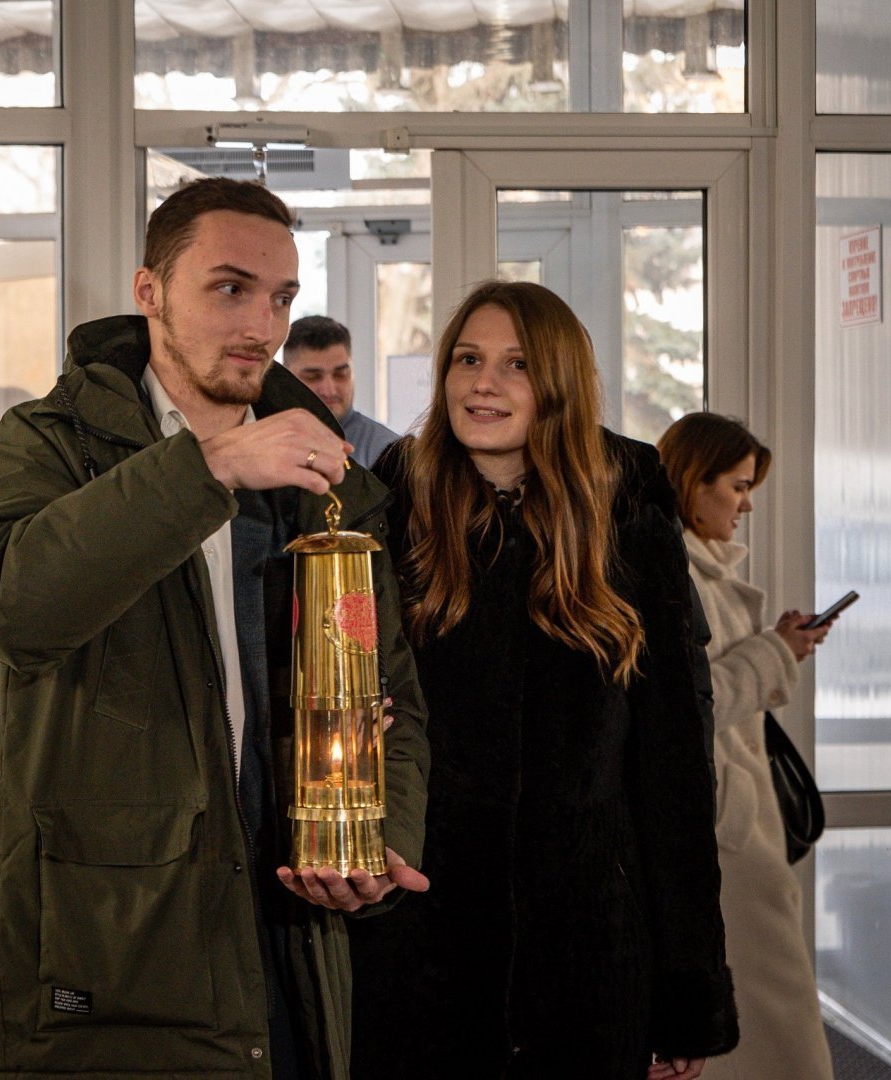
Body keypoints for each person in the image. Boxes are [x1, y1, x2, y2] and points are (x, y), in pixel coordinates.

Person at [0, 177, 430, 1079]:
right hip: (109, 951)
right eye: (230, 288)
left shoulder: (325, 482)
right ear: (150, 291)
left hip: (288, 936)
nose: (261, 325)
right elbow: (13, 605)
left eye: (280, 297)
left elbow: (389, 696)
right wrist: (208, 468)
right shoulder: (48, 443)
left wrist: (379, 840)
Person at [346, 280, 738, 1079]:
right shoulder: (398, 501)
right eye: (467, 359)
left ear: (558, 382)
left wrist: (686, 986)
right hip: (421, 944)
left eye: (516, 364)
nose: (482, 383)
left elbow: (674, 768)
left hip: (590, 955)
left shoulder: (627, 509)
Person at [657, 412, 835, 1080]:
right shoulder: (676, 572)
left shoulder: (700, 568)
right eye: (736, 486)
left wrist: (778, 645)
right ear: (692, 483)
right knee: (771, 1018)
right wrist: (774, 651)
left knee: (769, 1015)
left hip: (732, 817)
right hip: (722, 828)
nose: (747, 504)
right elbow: (691, 706)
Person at [282, 315, 399, 467]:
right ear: (284, 376)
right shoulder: (261, 441)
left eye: (340, 374)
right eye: (313, 377)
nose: (329, 390)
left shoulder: (388, 454)